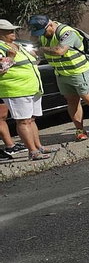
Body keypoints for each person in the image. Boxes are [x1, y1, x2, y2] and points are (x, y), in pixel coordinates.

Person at [27, 15, 89, 140]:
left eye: (43, 31)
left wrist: (41, 50)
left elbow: (59, 51)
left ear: (50, 25)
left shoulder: (67, 32)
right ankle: (80, 130)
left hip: (79, 71)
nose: (41, 34)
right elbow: (34, 46)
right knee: (72, 100)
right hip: (61, 73)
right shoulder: (43, 36)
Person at [0, 19, 54, 160]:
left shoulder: (17, 45)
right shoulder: (1, 48)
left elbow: (31, 62)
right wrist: (10, 58)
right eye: (8, 31)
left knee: (31, 120)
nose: (13, 32)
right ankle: (32, 151)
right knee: (23, 121)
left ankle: (38, 147)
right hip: (16, 89)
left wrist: (35, 56)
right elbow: (1, 69)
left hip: (32, 87)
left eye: (13, 29)